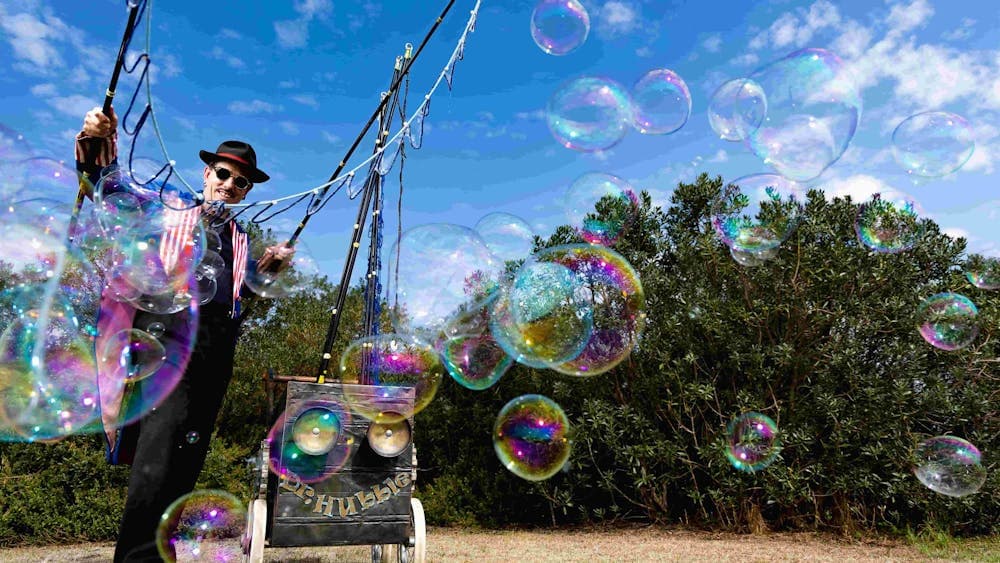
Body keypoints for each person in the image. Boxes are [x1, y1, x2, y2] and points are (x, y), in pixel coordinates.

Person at [76, 106, 293, 561]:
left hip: (214, 358)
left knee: (184, 465)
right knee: (156, 461)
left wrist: (267, 268)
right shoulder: (168, 208)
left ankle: (160, 554)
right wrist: (94, 138)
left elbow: (238, 287)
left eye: (241, 183)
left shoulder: (237, 236)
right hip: (166, 344)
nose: (230, 185)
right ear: (206, 171)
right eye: (223, 173)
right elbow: (108, 187)